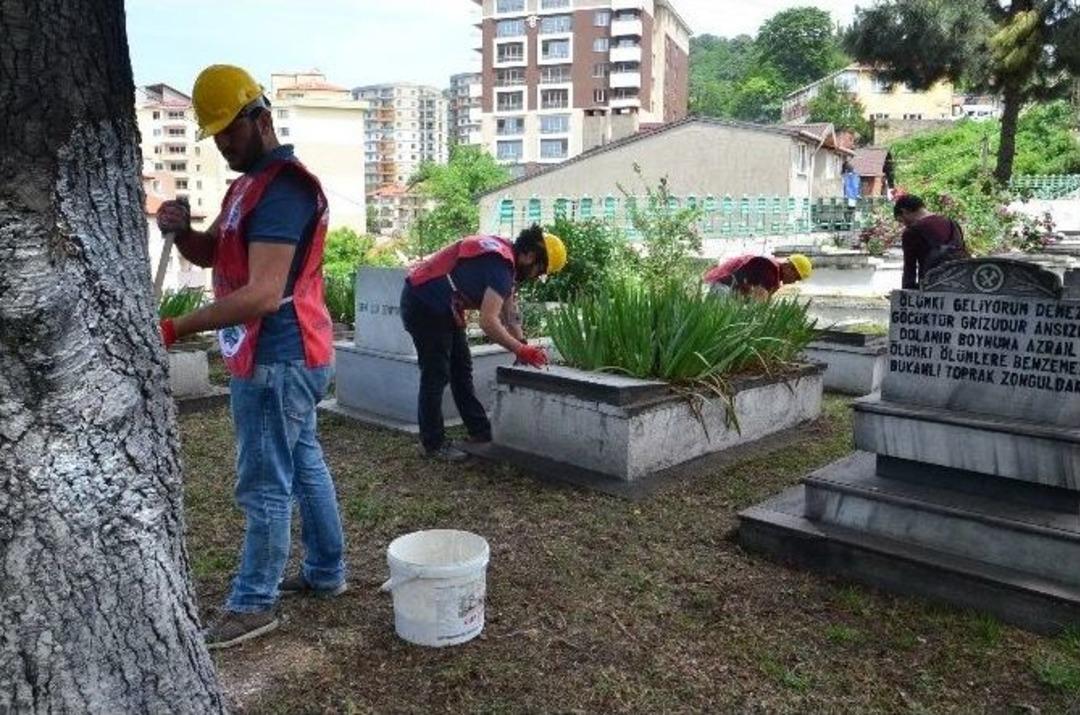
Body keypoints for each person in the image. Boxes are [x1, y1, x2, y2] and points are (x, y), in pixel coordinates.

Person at [156, 65, 346, 649]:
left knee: (265, 482)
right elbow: (218, 254)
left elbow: (263, 294)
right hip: (288, 355)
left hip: (280, 357)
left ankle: (253, 600)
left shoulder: (284, 188)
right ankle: (325, 572)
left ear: (260, 119)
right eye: (214, 136)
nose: (222, 145)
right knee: (304, 462)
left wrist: (176, 326)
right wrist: (184, 232)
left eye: (229, 134)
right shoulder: (246, 187)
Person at [401, 225, 566, 462]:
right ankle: (433, 444)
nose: (536, 276)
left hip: (445, 305)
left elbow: (509, 311)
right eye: (539, 270)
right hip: (424, 303)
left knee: (461, 369)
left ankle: (480, 431)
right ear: (530, 256)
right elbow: (488, 322)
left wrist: (522, 343)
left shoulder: (506, 260)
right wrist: (520, 349)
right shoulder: (500, 267)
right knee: (436, 374)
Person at [894, 194, 968, 289]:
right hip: (961, 284)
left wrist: (906, 294)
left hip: (931, 288)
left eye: (902, 221)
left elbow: (910, 269)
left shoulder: (912, 231)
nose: (904, 224)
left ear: (904, 211)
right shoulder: (953, 224)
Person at [703, 253, 813, 301]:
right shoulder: (770, 271)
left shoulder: (772, 270)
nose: (794, 282)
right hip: (723, 287)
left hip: (724, 286)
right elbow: (759, 303)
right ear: (789, 267)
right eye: (796, 277)